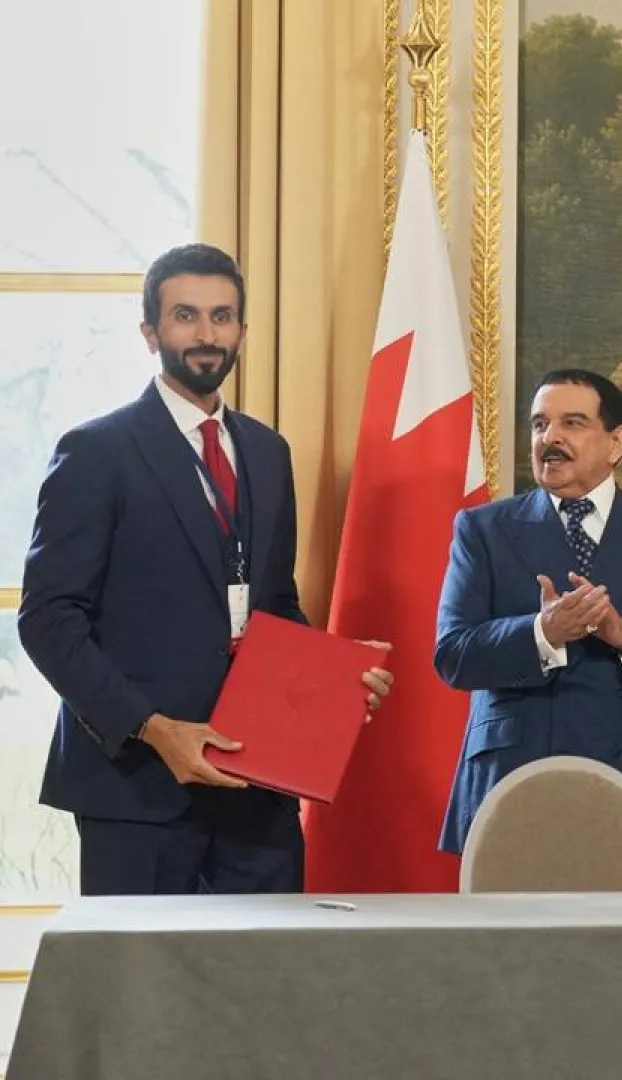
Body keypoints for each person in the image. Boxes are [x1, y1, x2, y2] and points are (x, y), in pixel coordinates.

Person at [18, 243, 393, 896]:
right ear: (150, 332)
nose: (206, 333)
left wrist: (334, 681)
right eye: (185, 316)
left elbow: (272, 603)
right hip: (136, 788)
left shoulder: (267, 452)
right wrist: (156, 731)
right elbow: (48, 620)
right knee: (144, 992)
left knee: (257, 987)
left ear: (242, 332)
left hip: (259, 784)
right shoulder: (95, 452)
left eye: (222, 317)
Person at [433, 369, 622, 863]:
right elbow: (453, 655)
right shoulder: (483, 529)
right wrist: (542, 633)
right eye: (539, 425)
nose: (549, 439)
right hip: (511, 777)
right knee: (505, 943)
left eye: (572, 423)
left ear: (616, 442)